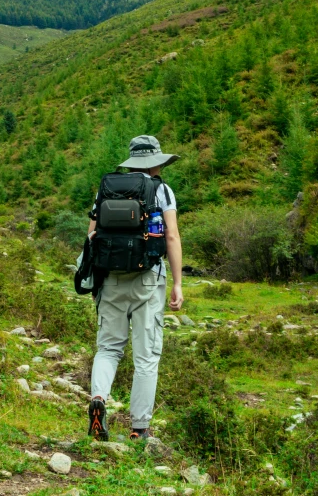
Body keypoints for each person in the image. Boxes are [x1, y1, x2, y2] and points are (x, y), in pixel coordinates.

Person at [87, 135, 184, 442]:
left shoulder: (108, 188)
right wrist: (178, 284)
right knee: (146, 356)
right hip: (148, 280)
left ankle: (99, 398)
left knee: (109, 348)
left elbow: (91, 235)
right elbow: (171, 237)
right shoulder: (162, 190)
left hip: (112, 278)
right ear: (156, 162)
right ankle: (138, 429)